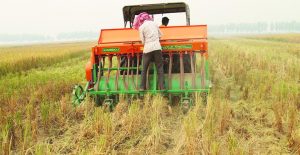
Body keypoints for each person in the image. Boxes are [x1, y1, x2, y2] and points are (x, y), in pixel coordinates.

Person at [133, 12, 165, 91]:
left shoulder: (141, 27)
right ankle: (162, 87)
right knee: (160, 68)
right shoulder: (154, 24)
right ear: (148, 18)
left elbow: (143, 41)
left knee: (144, 68)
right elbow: (161, 35)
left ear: (141, 20)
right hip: (157, 48)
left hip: (147, 49)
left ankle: (142, 87)